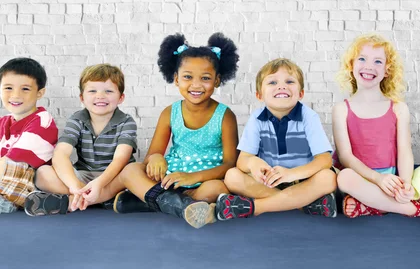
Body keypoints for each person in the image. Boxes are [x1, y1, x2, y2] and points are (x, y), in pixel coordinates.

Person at [333, 34, 420, 219]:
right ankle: (417, 209)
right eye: (362, 59)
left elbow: (404, 151)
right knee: (344, 177)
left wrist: (405, 184)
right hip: (362, 178)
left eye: (378, 61)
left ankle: (373, 206)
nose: (369, 66)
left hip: (393, 179)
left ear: (387, 70)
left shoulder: (398, 108)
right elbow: (345, 157)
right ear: (351, 65)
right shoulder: (342, 109)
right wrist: (378, 179)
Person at [112, 33, 239, 229]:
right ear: (176, 79)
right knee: (131, 170)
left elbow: (230, 163)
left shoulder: (225, 116)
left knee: (217, 189)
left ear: (217, 80)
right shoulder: (170, 112)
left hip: (205, 179)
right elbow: (151, 156)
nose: (196, 85)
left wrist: (193, 177)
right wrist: (156, 158)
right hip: (171, 178)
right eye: (188, 77)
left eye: (205, 78)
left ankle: (152, 201)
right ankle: (181, 206)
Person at [216, 58, 337, 220]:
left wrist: (292, 174)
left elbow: (325, 160)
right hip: (269, 182)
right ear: (259, 95)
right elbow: (242, 160)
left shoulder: (309, 117)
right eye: (272, 82)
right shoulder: (256, 118)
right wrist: (253, 163)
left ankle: (256, 207)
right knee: (232, 176)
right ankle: (304, 204)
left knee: (328, 178)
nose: (282, 86)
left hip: (302, 179)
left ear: (301, 93)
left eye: (289, 81)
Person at [25, 64, 137, 216]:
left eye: (108, 91)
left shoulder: (126, 122)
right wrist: (75, 186)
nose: (100, 96)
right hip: (84, 176)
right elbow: (60, 154)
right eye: (92, 91)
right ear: (82, 98)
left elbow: (120, 159)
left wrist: (99, 183)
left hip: (113, 177)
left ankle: (72, 202)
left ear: (121, 97)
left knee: (134, 172)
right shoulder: (77, 119)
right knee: (43, 173)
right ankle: (97, 199)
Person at [0, 58, 58, 213]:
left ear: (39, 93)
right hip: (6, 179)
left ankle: (6, 202)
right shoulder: (3, 122)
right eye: (8, 88)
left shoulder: (42, 121)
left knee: (12, 166)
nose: (16, 95)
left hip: (27, 182)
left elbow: (15, 160)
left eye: (25, 89)